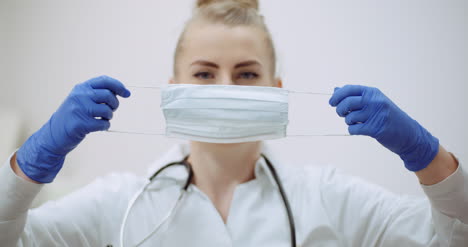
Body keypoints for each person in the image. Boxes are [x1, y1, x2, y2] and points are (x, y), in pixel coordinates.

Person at [1, 0, 467, 246]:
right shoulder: (119, 203)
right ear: (173, 89)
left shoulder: (330, 198)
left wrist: (428, 158)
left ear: (277, 88)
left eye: (247, 75)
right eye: (204, 74)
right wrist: (30, 165)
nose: (225, 88)